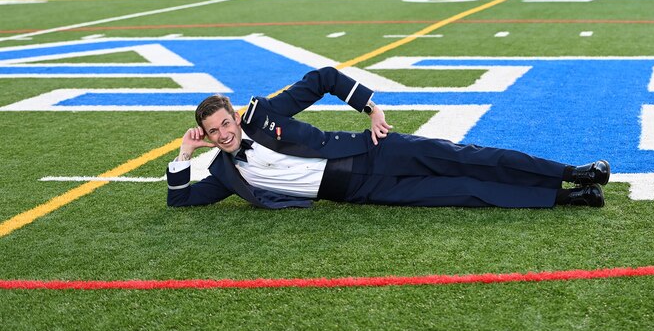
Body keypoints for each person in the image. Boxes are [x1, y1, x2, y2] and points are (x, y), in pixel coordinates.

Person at [167, 67, 610, 210]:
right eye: (213, 132)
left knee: (465, 157)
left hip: (370, 148)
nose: (224, 134)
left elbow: (323, 79)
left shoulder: (266, 112)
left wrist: (371, 107)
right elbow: (180, 201)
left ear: (235, 116)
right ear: (206, 136)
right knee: (459, 192)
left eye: (227, 124)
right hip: (358, 190)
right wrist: (184, 154)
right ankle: (570, 198)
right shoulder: (224, 173)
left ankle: (571, 171)